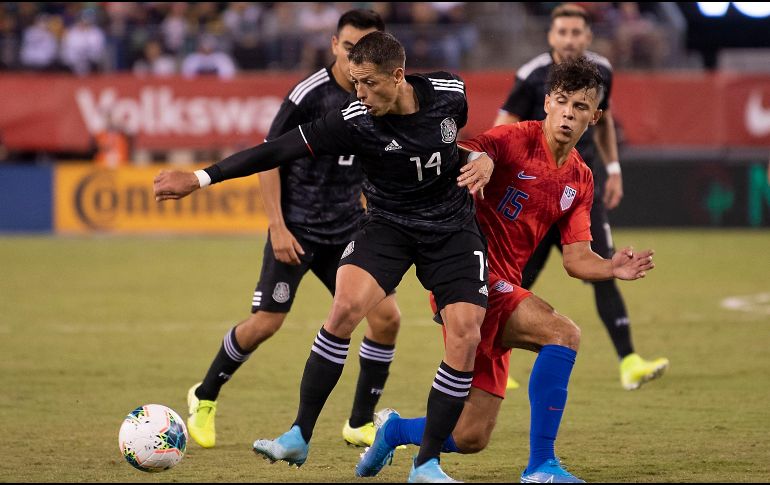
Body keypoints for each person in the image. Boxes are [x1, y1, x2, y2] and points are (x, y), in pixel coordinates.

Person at [154, 31, 494, 482]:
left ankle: (426, 462)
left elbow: (466, 144)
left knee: (466, 334)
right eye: (355, 83)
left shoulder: (450, 93)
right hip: (388, 226)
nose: (360, 93)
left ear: (398, 75)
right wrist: (199, 179)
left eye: (369, 83)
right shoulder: (353, 120)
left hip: (451, 228)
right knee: (345, 308)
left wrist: (485, 156)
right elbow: (275, 150)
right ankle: (299, 434)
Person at [356, 56, 656, 483]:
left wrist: (611, 268)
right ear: (548, 103)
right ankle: (541, 467)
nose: (570, 113)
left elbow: (575, 259)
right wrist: (484, 160)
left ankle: (395, 430)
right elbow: (475, 149)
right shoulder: (516, 138)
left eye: (581, 107)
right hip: (466, 276)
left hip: (501, 288)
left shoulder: (581, 179)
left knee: (472, 434)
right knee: (563, 332)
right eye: (563, 102)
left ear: (595, 117)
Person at [180, 10, 403, 451]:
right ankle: (204, 396)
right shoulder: (310, 94)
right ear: (334, 44)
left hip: (347, 229)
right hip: (298, 229)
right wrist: (278, 227)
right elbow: (270, 156)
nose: (356, 57)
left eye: (366, 49)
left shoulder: (384, 95)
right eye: (349, 47)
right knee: (266, 323)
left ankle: (359, 422)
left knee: (387, 318)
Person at [492, 3, 667, 391]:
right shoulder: (532, 75)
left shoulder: (602, 72)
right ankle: (493, 361)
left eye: (577, 33)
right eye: (563, 32)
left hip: (578, 193)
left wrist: (614, 169)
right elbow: (502, 126)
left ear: (588, 37)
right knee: (512, 279)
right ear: (551, 36)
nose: (570, 39)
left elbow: (603, 122)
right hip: (535, 196)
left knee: (605, 270)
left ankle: (629, 362)